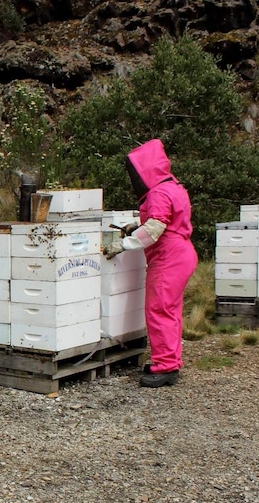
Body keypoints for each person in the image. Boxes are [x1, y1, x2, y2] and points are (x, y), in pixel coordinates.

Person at [103, 138, 198, 388]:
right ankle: (169, 361)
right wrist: (136, 225)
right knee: (171, 311)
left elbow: (155, 229)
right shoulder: (173, 186)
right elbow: (167, 219)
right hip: (180, 253)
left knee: (159, 311)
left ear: (145, 168)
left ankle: (165, 367)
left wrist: (123, 244)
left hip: (169, 258)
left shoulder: (158, 192)